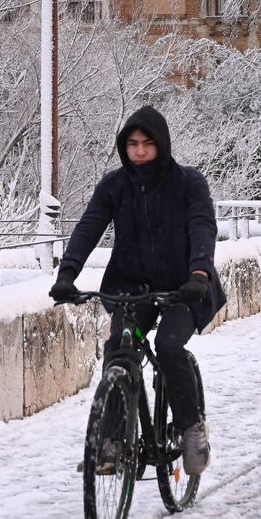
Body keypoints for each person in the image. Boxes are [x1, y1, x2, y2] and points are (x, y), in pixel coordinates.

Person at [49, 106, 225, 476]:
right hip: (133, 287)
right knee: (119, 349)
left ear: (162, 145)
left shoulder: (189, 183)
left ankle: (191, 428)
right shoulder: (114, 186)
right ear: (123, 147)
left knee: (169, 346)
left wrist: (198, 274)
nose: (140, 151)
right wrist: (67, 273)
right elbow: (89, 226)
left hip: (185, 288)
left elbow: (202, 226)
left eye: (148, 144)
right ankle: (112, 441)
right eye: (132, 144)